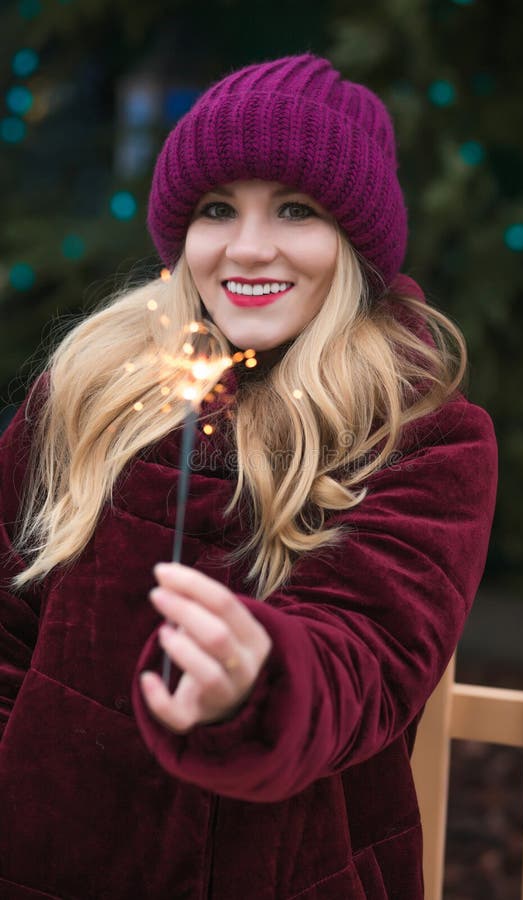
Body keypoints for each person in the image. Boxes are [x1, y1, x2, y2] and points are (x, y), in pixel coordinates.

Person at [0, 53, 498, 899]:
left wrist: (256, 681)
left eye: (296, 210)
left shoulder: (419, 432)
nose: (249, 246)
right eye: (217, 209)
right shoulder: (87, 388)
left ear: (354, 240)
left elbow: (369, 655)